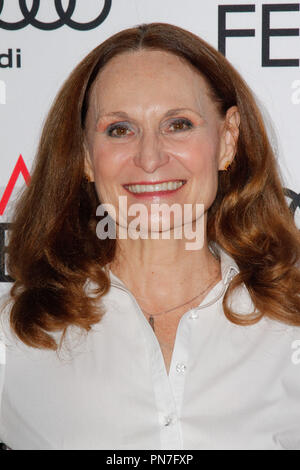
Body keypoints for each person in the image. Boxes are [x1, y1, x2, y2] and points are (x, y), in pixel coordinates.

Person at [0, 22, 299, 450]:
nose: (150, 158)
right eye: (119, 129)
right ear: (85, 156)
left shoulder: (291, 327)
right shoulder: (13, 336)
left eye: (178, 124)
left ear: (228, 139)